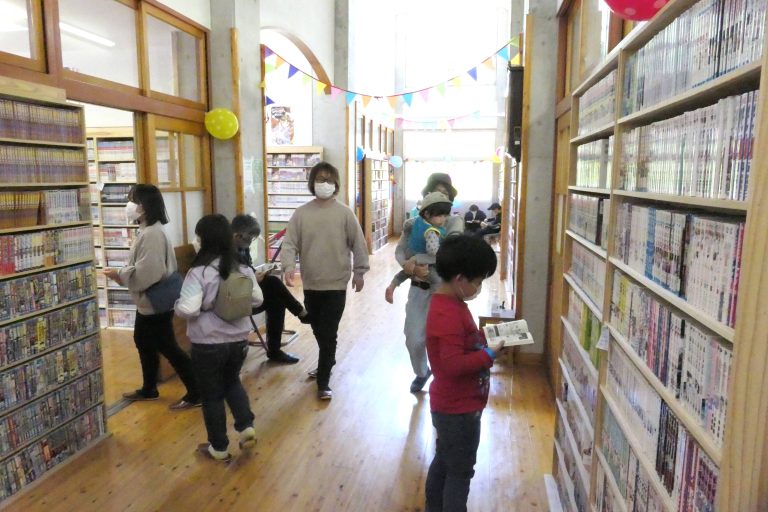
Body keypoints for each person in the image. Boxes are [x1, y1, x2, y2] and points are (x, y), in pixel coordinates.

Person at [424, 234, 502, 511]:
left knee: (445, 461)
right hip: (458, 409)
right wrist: (490, 354)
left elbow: (463, 340)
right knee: (460, 473)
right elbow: (452, 365)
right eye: (478, 281)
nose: (480, 287)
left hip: (454, 406)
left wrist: (485, 337)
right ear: (460, 280)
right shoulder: (447, 314)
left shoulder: (452, 305)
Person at [104, 184, 200, 410]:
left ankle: (196, 392)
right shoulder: (149, 230)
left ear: (144, 207)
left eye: (132, 200)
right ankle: (149, 388)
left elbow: (148, 273)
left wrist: (120, 275)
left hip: (154, 301)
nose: (128, 205)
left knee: (168, 347)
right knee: (144, 341)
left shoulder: (151, 234)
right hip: (151, 301)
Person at [175, 214, 263, 462]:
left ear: (203, 240)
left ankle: (219, 447)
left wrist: (179, 306)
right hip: (238, 341)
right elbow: (258, 299)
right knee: (232, 382)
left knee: (212, 395)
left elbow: (189, 309)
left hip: (207, 344)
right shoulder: (242, 268)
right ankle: (246, 427)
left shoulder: (199, 272)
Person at [280, 162, 369, 400]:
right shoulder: (301, 213)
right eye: (320, 179)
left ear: (336, 184)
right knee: (319, 329)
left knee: (329, 332)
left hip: (336, 283)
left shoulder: (345, 213)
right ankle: (327, 360)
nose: (325, 183)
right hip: (311, 283)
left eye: (330, 179)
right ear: (312, 183)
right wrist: (288, 266)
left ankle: (323, 382)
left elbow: (358, 243)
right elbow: (289, 243)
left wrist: (360, 271)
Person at [395, 173, 463, 393]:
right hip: (418, 289)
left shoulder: (454, 222)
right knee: (414, 338)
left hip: (443, 290)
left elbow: (447, 254)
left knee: (445, 340)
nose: (438, 197)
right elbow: (401, 251)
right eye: (434, 193)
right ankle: (422, 372)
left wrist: (417, 259)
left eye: (444, 194)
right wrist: (410, 266)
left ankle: (446, 380)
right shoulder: (413, 224)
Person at [230, 214, 309, 364]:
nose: (250, 242)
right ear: (237, 235)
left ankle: (275, 350)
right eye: (249, 238)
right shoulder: (224, 252)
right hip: (233, 300)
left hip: (248, 291)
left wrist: (255, 275)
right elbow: (229, 280)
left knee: (276, 299)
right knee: (273, 284)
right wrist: (253, 278)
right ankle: (300, 313)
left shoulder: (242, 247)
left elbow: (247, 269)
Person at [384, 192, 452, 304]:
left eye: (445, 216)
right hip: (423, 259)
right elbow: (433, 252)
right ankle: (437, 301)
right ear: (426, 213)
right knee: (437, 280)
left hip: (410, 252)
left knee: (407, 272)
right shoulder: (432, 231)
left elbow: (406, 226)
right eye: (439, 216)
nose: (443, 220)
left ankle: (392, 286)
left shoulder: (417, 221)